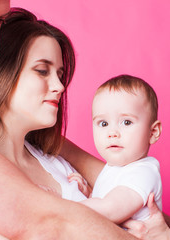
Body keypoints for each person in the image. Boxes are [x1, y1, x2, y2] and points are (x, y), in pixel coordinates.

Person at [0, 5, 170, 239]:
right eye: (42, 71)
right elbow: (56, 223)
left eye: (60, 74)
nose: (59, 86)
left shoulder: (62, 167)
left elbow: (144, 204)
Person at [70, 74, 163, 224]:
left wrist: (60, 204)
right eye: (103, 124)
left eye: (126, 122)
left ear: (153, 132)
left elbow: (109, 211)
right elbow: (110, 200)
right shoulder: (114, 169)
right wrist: (90, 195)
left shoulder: (143, 172)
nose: (112, 133)